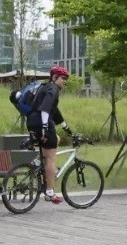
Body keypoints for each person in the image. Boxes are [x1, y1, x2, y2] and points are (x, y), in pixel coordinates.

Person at [26, 66, 73, 204]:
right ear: (54, 78)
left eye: (66, 79)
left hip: (32, 121)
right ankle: (50, 193)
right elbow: (45, 109)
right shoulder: (53, 89)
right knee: (52, 158)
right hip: (42, 123)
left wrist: (66, 128)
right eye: (63, 78)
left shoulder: (45, 88)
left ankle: (37, 162)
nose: (65, 81)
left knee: (55, 140)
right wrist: (45, 129)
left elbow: (55, 111)